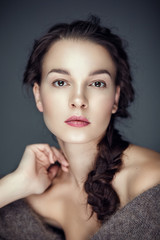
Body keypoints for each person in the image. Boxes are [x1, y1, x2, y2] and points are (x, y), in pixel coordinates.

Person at [0, 16, 160, 240]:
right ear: (38, 95)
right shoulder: (29, 195)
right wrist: (13, 185)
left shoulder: (152, 183)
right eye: (61, 82)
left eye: (97, 83)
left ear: (115, 98)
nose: (78, 100)